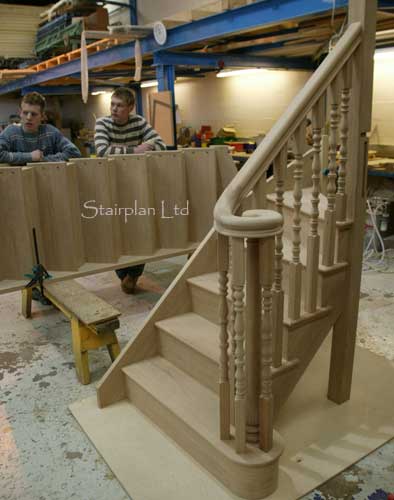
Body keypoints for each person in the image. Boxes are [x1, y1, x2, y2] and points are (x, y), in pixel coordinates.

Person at [95, 87, 166, 294]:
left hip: (137, 186)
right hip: (111, 185)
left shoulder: (139, 122)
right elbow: (102, 151)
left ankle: (133, 275)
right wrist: (135, 150)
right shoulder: (103, 123)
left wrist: (147, 146)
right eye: (112, 104)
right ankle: (122, 273)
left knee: (140, 230)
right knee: (116, 231)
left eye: (119, 106)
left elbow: (161, 145)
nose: (114, 109)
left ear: (130, 108)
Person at [0, 91, 81, 165]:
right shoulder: (10, 132)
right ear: (20, 113)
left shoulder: (51, 132)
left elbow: (74, 153)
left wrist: (43, 160)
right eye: (25, 113)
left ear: (42, 116)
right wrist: (30, 157)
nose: (28, 118)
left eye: (34, 114)